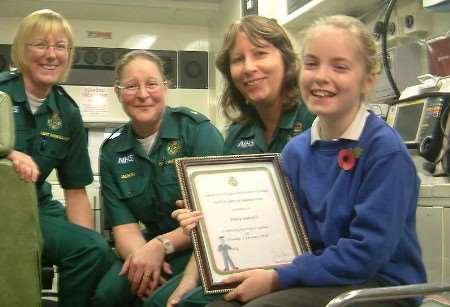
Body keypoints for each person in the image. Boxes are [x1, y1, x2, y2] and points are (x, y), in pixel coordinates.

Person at [175, 15, 427, 307]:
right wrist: (209, 218)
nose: (321, 76)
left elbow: (366, 253)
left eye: (340, 66)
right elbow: (279, 228)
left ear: (367, 80)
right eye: (311, 63)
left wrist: (277, 278)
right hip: (317, 276)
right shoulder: (296, 151)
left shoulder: (383, 151)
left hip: (379, 286)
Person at [147, 15, 315, 307]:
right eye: (238, 60)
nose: (249, 67)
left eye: (260, 53)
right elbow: (218, 225)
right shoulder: (238, 134)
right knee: (162, 302)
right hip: (242, 259)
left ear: (287, 60)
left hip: (299, 266)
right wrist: (189, 280)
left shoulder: (313, 120)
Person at [0, 9, 114, 307]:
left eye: (60, 46)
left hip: (36, 208)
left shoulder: (68, 112)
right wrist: (7, 151)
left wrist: (89, 245)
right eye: (40, 44)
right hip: (3, 208)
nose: (51, 54)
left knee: (95, 250)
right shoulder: (0, 93)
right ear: (22, 50)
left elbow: (75, 191)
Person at [93, 49, 224, 307]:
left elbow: (216, 215)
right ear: (118, 92)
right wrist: (142, 264)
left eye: (151, 84)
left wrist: (161, 246)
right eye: (131, 86)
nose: (143, 94)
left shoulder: (198, 131)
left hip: (201, 247)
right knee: (106, 296)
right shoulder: (112, 150)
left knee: (159, 302)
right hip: (149, 246)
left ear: (165, 87)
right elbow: (124, 225)